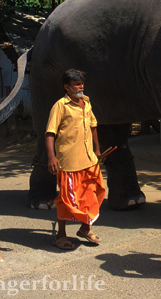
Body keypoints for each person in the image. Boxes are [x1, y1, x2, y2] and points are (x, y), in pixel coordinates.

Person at [46, 69, 105, 249]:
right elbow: (50, 133)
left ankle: (85, 228)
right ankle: (61, 235)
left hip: (89, 159)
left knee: (95, 193)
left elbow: (93, 126)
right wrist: (51, 157)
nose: (81, 87)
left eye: (81, 84)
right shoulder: (60, 106)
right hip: (70, 162)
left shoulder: (86, 103)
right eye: (76, 84)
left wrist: (97, 149)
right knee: (67, 199)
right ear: (67, 87)